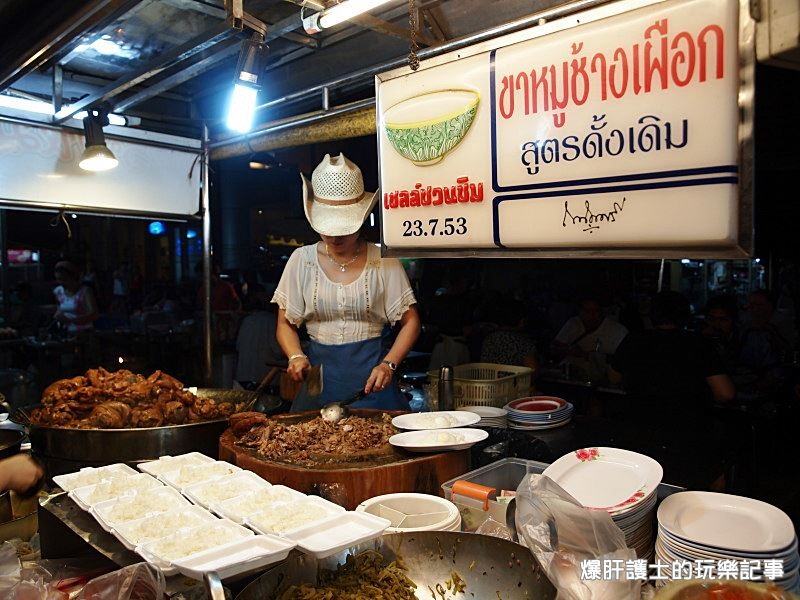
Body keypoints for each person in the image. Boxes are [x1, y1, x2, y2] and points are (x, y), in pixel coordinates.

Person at [273, 153, 420, 411]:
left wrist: (389, 364)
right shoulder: (301, 260)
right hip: (317, 386)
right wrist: (295, 355)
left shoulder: (384, 260)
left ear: (361, 218)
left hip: (374, 386)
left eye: (344, 228)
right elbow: (285, 323)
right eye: (327, 226)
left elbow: (411, 323)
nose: (334, 235)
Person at [609, 292, 735, 488]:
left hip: (639, 430)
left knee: (643, 487)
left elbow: (613, 377)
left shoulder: (634, 340)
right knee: (710, 484)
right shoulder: (697, 343)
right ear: (685, 316)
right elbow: (725, 393)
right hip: (689, 434)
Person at [552, 297, 628, 381]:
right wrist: (568, 350)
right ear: (580, 311)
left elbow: (624, 360)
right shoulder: (573, 324)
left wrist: (587, 355)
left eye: (596, 311)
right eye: (587, 311)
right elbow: (554, 348)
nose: (592, 315)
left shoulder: (618, 331)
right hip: (569, 379)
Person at [235, 284, 284, 385]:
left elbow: (238, 347)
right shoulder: (272, 321)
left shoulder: (247, 320)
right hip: (264, 380)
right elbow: (278, 351)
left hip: (243, 378)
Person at [480, 299, 538, 369]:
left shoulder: (489, 338)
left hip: (489, 378)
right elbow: (532, 369)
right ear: (521, 321)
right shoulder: (522, 342)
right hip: (512, 380)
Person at [53, 261, 99, 333]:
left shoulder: (85, 291)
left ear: (73, 277)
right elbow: (59, 308)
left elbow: (94, 314)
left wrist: (72, 320)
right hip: (65, 332)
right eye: (58, 279)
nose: (60, 282)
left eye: (64, 279)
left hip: (84, 332)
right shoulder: (58, 291)